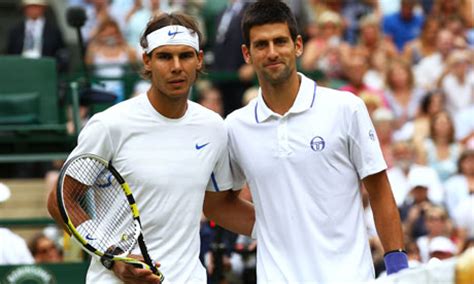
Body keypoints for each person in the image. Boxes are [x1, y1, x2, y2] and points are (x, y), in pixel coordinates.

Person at [47, 12, 255, 284]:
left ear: (199, 60)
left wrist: (287, 228)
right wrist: (114, 257)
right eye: (165, 57)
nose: (177, 66)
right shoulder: (110, 125)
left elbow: (219, 206)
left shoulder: (213, 127)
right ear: (147, 61)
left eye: (186, 56)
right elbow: (59, 201)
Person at [225, 1, 408, 282]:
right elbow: (215, 203)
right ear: (247, 54)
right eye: (261, 45)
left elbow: (380, 191)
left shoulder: (346, 107)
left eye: (280, 41)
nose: (272, 52)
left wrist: (397, 265)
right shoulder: (235, 127)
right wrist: (268, 226)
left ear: (298, 45)